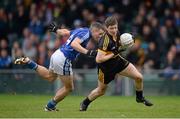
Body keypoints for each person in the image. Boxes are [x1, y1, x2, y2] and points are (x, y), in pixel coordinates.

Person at [14, 22, 105, 111]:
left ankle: (29, 61)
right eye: (100, 34)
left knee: (49, 77)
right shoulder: (87, 34)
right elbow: (74, 44)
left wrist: (57, 30)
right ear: (94, 30)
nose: (100, 36)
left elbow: (65, 32)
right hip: (64, 58)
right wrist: (88, 52)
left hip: (57, 54)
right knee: (69, 88)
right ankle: (50, 106)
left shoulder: (81, 30)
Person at [80, 16, 153, 111]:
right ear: (106, 28)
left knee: (139, 77)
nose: (114, 30)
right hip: (106, 68)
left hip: (118, 62)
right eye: (111, 28)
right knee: (101, 91)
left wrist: (130, 39)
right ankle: (85, 103)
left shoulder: (117, 33)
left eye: (115, 27)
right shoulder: (104, 40)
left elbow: (121, 44)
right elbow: (99, 59)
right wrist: (115, 52)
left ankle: (139, 97)